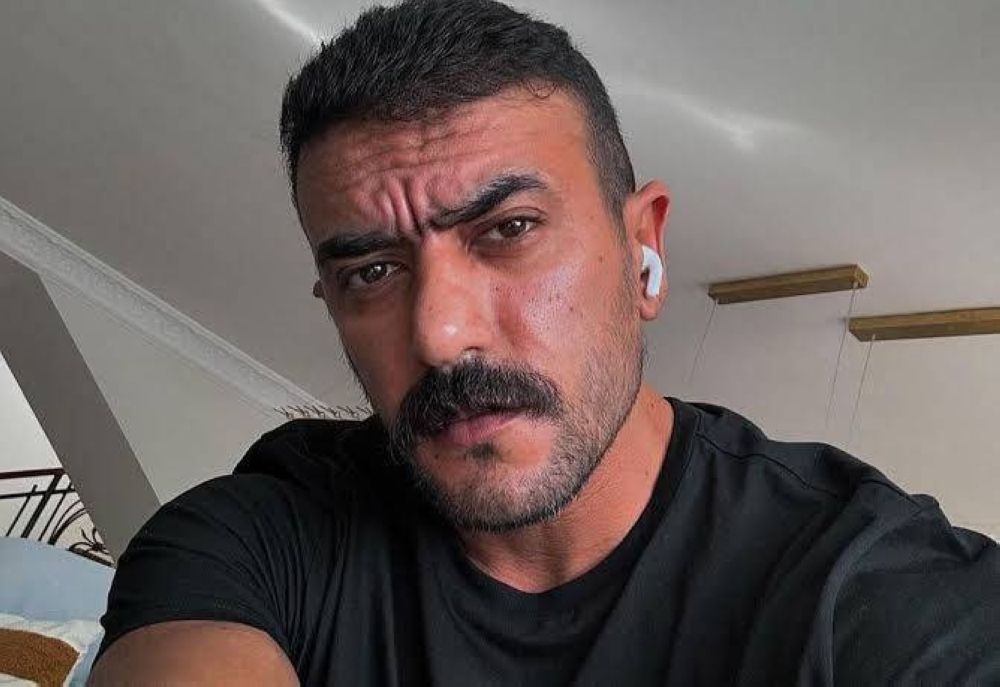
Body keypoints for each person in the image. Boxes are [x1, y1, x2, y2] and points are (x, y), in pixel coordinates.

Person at [89, 0, 1000, 684]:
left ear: (643, 251)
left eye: (509, 229)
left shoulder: (865, 583)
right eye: (371, 271)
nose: (440, 334)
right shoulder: (262, 535)